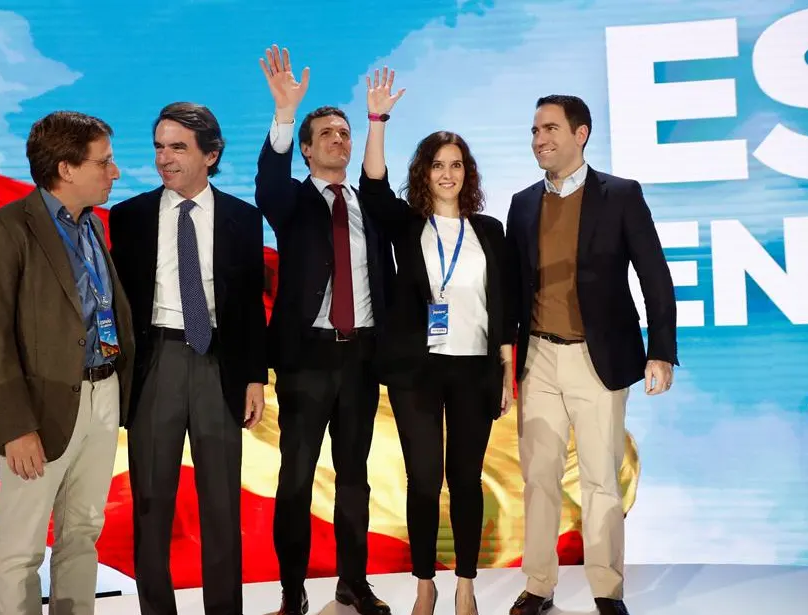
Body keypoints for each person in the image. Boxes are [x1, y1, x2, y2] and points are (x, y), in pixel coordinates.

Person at [505, 95, 677, 615]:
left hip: (597, 359)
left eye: (551, 129)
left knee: (602, 478)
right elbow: (514, 288)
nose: (540, 139)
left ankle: (607, 591)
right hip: (537, 359)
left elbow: (655, 276)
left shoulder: (621, 195)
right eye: (535, 130)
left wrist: (661, 352)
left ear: (581, 134)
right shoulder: (523, 202)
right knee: (538, 478)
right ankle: (538, 585)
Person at [358, 68, 515, 615]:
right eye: (437, 164)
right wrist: (377, 119)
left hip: (475, 369)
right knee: (423, 480)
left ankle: (466, 584)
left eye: (456, 164)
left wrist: (506, 370)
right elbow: (373, 186)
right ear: (423, 172)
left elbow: (504, 305)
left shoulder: (490, 229)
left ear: (467, 172)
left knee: (465, 480)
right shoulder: (407, 224)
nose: (447, 173)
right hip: (416, 371)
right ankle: (425, 582)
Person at [0, 110, 135, 615]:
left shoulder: (92, 227)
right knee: (21, 548)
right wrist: (17, 425)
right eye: (103, 162)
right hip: (38, 410)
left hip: (103, 394)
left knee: (82, 533)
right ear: (66, 169)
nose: (115, 172)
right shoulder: (3, 230)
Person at [109, 102, 268, 615]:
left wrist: (254, 378)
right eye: (159, 146)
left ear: (211, 155)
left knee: (221, 505)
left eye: (177, 146)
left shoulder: (243, 219)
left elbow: (247, 307)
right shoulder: (129, 217)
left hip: (218, 364)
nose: (164, 158)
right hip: (156, 364)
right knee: (151, 504)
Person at [255, 45, 394, 615]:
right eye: (327, 134)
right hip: (306, 359)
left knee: (355, 479)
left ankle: (352, 583)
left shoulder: (371, 203)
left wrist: (377, 121)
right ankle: (292, 592)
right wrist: (287, 114)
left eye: (344, 131)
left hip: (360, 358)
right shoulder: (290, 202)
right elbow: (267, 180)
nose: (339, 138)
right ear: (308, 149)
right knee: (295, 478)